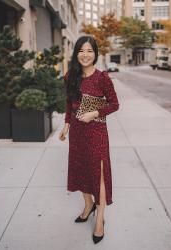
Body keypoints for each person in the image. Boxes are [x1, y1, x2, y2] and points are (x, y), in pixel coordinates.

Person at [59, 35, 119, 244]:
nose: (85, 55)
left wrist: (94, 114)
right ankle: (88, 206)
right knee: (81, 169)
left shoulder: (103, 77)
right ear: (76, 54)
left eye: (89, 51)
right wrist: (66, 124)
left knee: (99, 174)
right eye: (81, 51)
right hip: (76, 132)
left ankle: (100, 219)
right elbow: (69, 103)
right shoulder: (70, 76)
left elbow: (114, 104)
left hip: (96, 132)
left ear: (95, 54)